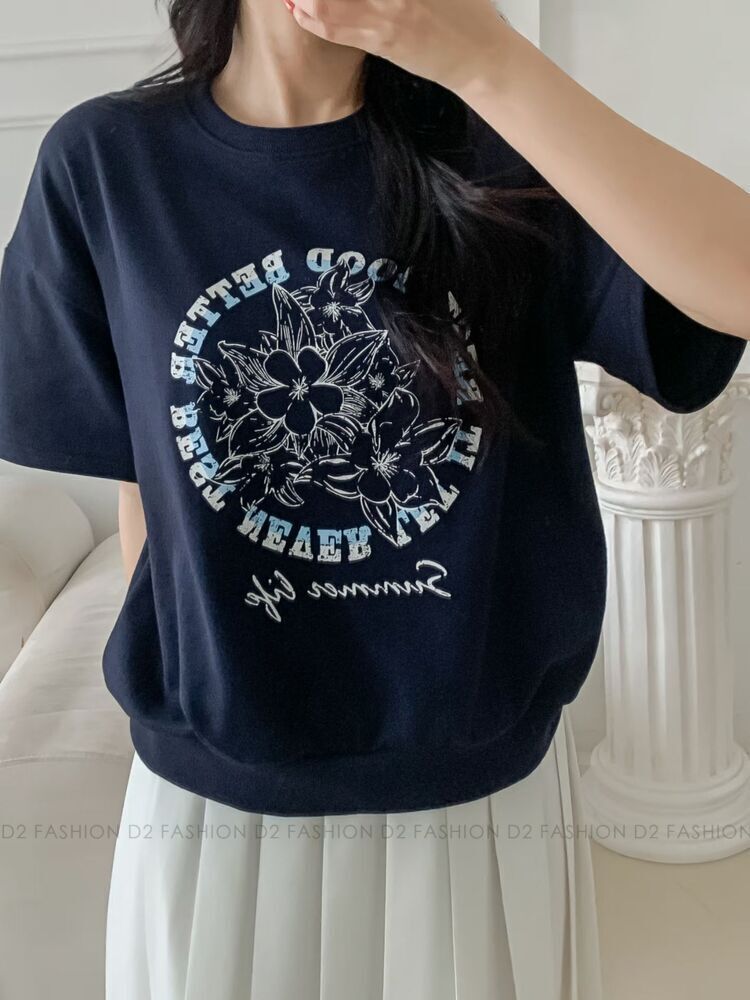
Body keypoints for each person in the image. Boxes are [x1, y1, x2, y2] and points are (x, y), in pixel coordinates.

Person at [0, 0, 747, 997]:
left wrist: (487, 61)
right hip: (209, 812)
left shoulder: (499, 141)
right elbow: (152, 479)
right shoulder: (106, 164)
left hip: (477, 810)